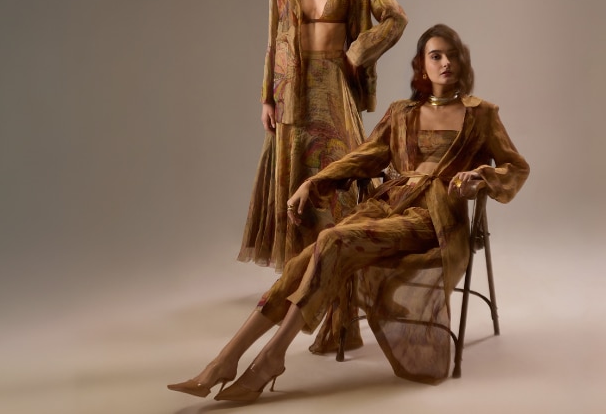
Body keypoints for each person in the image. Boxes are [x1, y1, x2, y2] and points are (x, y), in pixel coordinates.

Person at [168, 24, 529, 400]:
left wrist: (481, 177)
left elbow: (516, 167)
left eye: (452, 55)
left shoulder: (481, 114)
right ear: (421, 65)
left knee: (334, 240)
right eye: (435, 56)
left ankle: (271, 357)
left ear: (462, 60)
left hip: (434, 219)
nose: (445, 63)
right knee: (304, 262)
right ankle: (224, 361)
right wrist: (313, 183)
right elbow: (363, 157)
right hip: (387, 206)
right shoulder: (402, 112)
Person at [239, 0, 407, 272]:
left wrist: (357, 52)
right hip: (292, 89)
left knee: (342, 167)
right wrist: (267, 98)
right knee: (294, 172)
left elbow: (395, 17)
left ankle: (338, 264)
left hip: (334, 80)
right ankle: (297, 273)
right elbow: (273, 43)